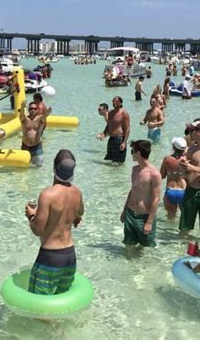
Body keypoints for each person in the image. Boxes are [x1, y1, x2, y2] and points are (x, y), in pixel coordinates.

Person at [24, 149, 84, 295]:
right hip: (70, 256)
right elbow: (80, 212)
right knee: (60, 301)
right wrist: (74, 218)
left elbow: (38, 230)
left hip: (50, 258)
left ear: (54, 167)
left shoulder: (47, 195)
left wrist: (31, 215)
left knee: (38, 307)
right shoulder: (77, 192)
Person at [120, 140, 162, 248]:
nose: (131, 154)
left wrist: (149, 222)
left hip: (144, 217)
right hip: (130, 213)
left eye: (132, 151)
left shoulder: (154, 174)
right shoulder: (134, 170)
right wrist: (124, 211)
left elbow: (156, 199)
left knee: (146, 249)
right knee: (128, 246)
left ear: (138, 153)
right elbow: (132, 191)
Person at [97, 96, 130, 164]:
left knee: (119, 163)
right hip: (111, 139)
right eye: (113, 101)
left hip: (120, 139)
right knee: (109, 161)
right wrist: (103, 133)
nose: (114, 102)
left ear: (120, 103)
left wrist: (124, 142)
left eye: (116, 101)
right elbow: (108, 125)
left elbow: (127, 129)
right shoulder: (110, 112)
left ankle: (120, 174)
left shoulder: (124, 113)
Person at [160, 137, 187, 219]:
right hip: (183, 190)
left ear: (173, 147)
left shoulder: (167, 159)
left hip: (171, 190)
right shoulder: (187, 160)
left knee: (171, 218)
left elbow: (162, 175)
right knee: (184, 218)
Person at [20, 100, 51, 166]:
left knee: (37, 168)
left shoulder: (40, 119)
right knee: (23, 168)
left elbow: (45, 116)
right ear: (28, 110)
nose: (33, 110)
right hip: (25, 146)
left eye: (35, 108)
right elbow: (21, 115)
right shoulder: (25, 119)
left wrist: (48, 111)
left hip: (37, 147)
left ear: (37, 110)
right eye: (31, 108)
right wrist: (22, 106)